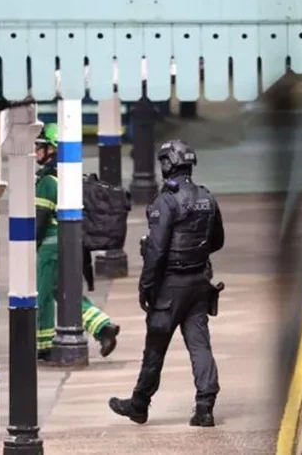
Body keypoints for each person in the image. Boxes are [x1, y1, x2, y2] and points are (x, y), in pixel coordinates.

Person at [109, 139, 225, 427]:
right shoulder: (206, 197)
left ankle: (139, 403)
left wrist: (146, 287)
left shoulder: (166, 201)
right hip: (200, 282)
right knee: (200, 344)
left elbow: (157, 250)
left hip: (170, 287)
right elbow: (218, 240)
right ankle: (205, 407)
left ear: (167, 164)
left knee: (155, 346)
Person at [34, 123, 119, 361]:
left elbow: (39, 222)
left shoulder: (47, 182)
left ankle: (44, 345)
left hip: (50, 249)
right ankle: (103, 327)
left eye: (41, 146)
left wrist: (29, 245)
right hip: (71, 245)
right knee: (67, 293)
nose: (36, 151)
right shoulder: (69, 178)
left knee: (45, 296)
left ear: (53, 149)